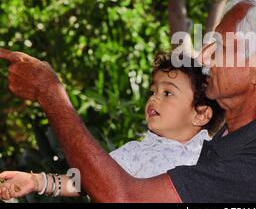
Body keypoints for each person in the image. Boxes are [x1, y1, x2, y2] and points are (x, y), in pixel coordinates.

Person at [0, 0, 256, 202]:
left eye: (220, 45)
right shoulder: (225, 133)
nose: (205, 57)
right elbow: (99, 178)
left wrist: (50, 94)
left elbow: (124, 197)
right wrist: (41, 181)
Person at [0, 54, 223, 200]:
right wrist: (37, 181)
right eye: (153, 91)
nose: (154, 99)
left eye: (168, 93)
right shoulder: (136, 152)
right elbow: (88, 180)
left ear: (201, 114)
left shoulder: (216, 155)